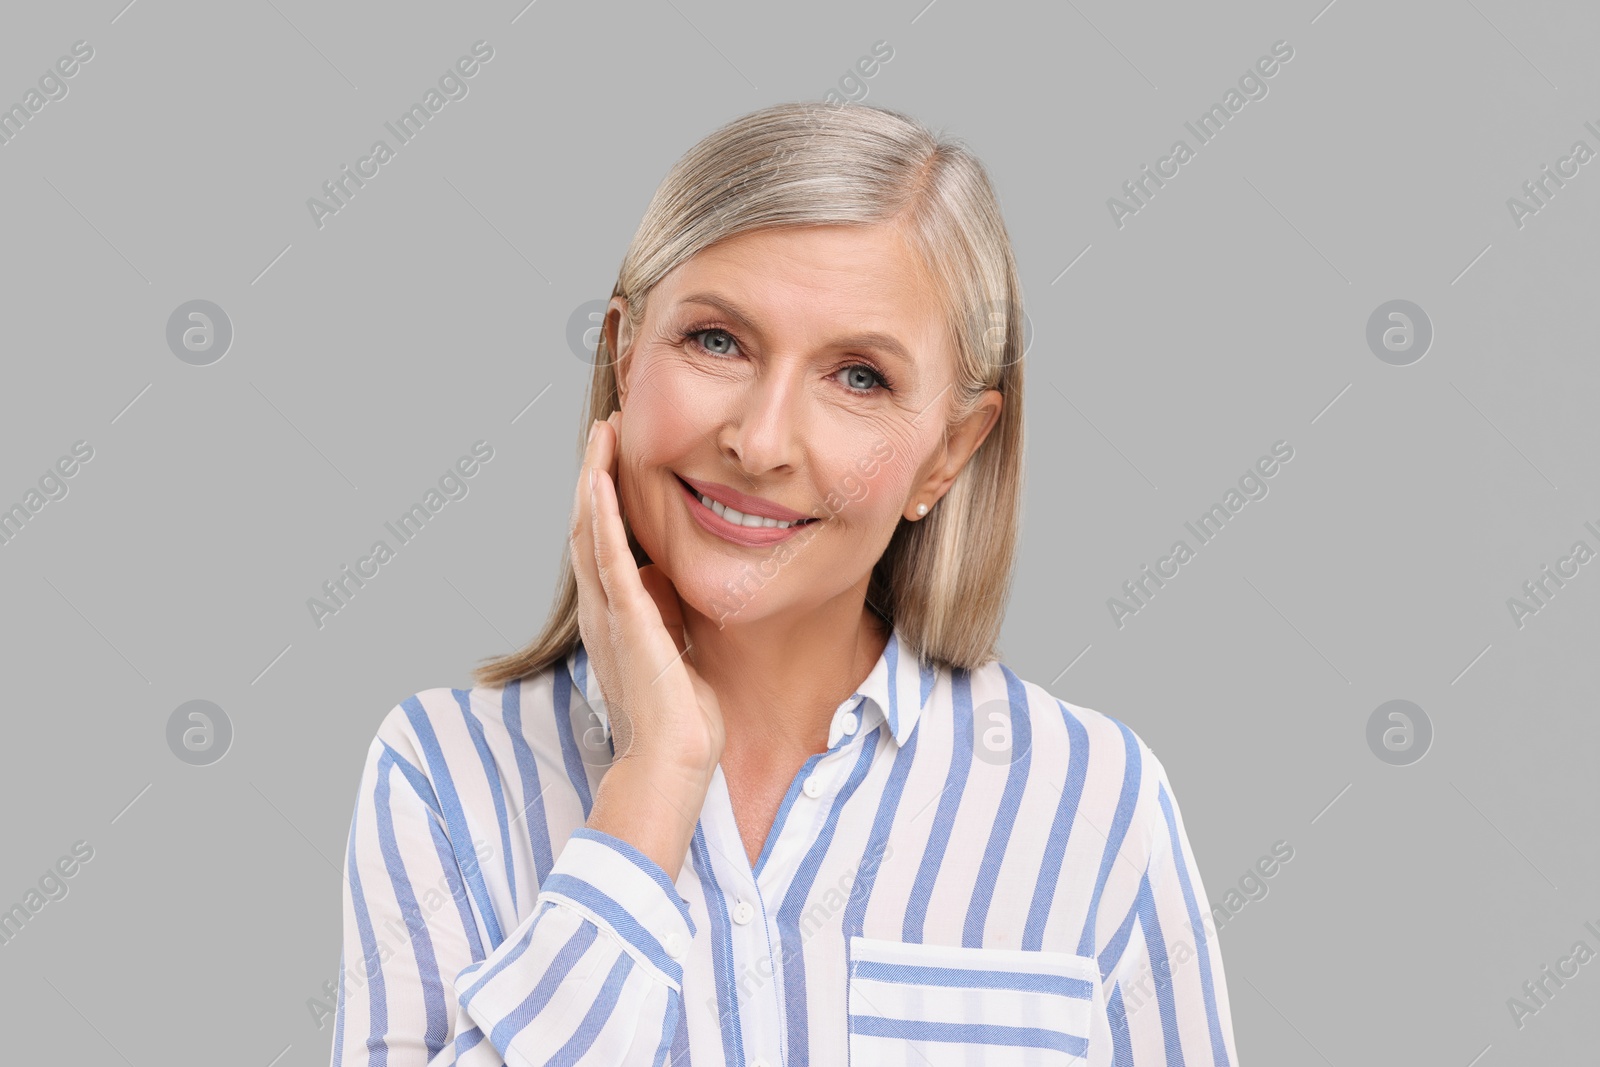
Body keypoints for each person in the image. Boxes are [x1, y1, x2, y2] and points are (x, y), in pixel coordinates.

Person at [330, 100, 1239, 1066]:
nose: (760, 442)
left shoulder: (1094, 800)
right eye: (718, 340)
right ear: (624, 356)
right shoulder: (440, 775)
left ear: (949, 454)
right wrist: (653, 783)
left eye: (859, 377)